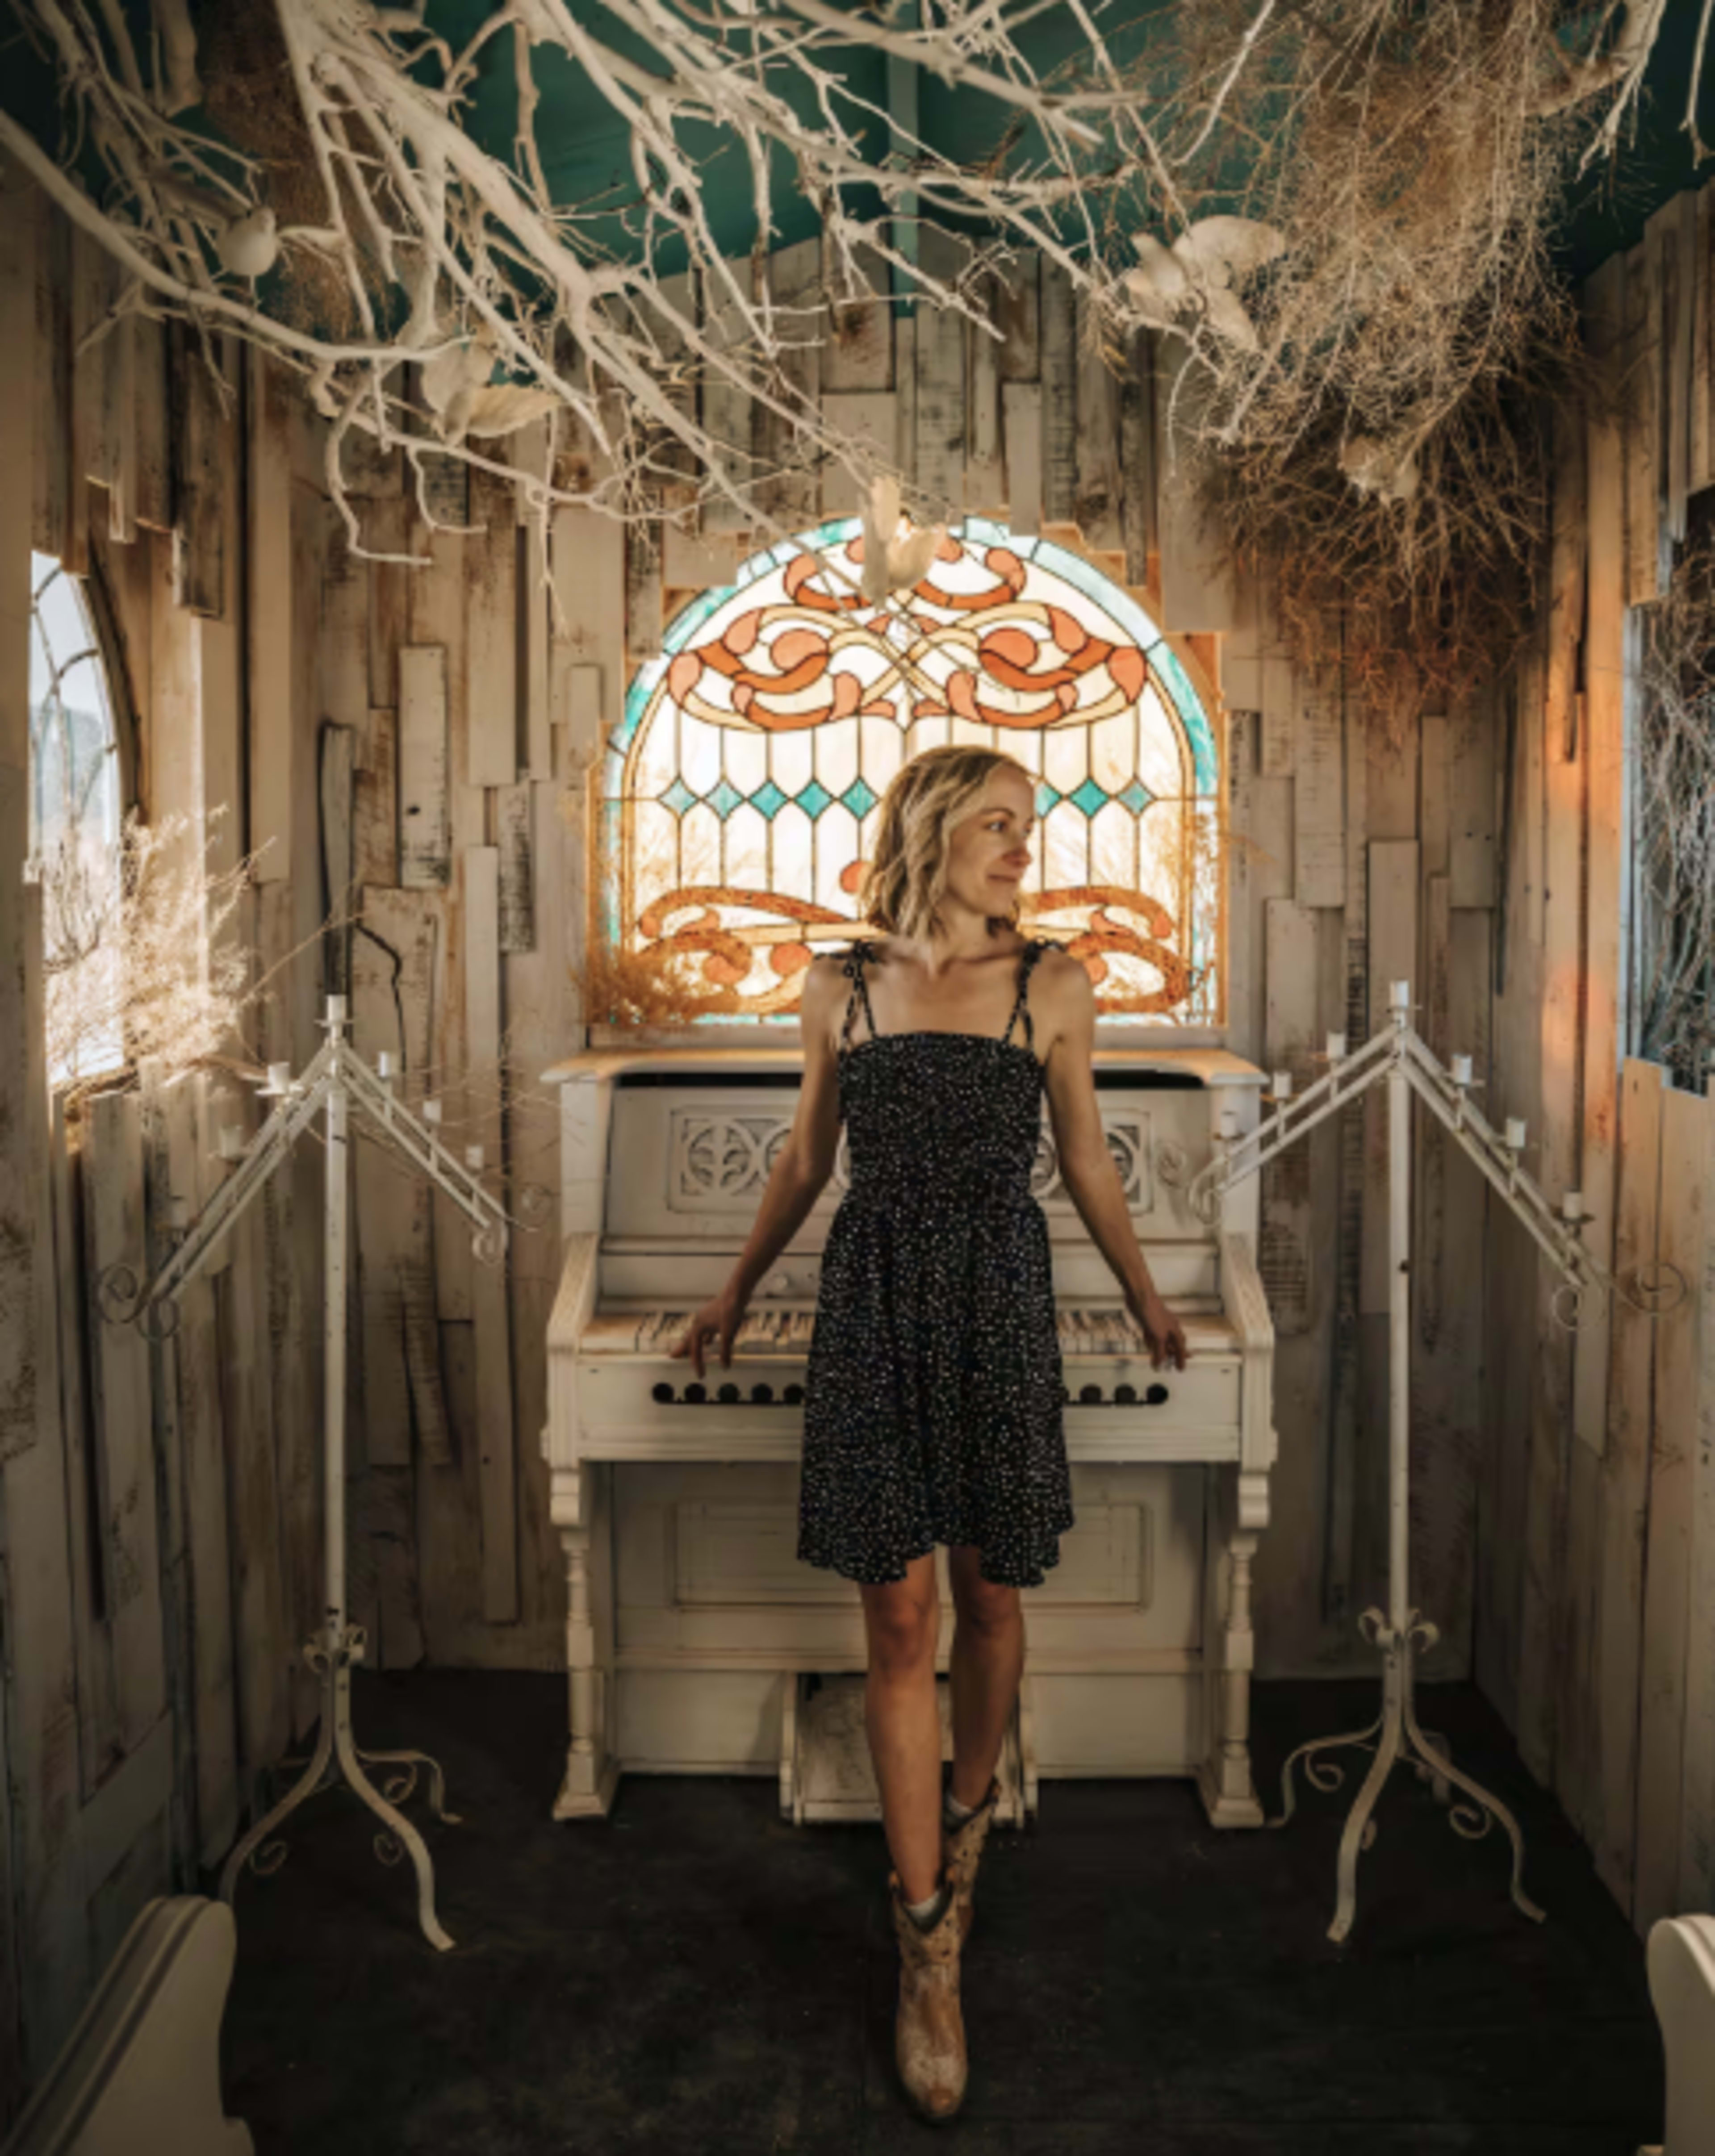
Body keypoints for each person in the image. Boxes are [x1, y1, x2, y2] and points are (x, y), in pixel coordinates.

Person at [671, 744, 1188, 2124]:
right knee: (897, 1622)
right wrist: (728, 1292)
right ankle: (925, 1945)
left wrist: (1146, 1296)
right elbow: (802, 1158)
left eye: (1035, 822)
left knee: (993, 1595)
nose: (1027, 843)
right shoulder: (839, 981)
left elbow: (1083, 1159)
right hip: (877, 1298)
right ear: (933, 826)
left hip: (1000, 1297)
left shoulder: (1054, 982)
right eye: (1000, 823)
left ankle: (961, 1836)